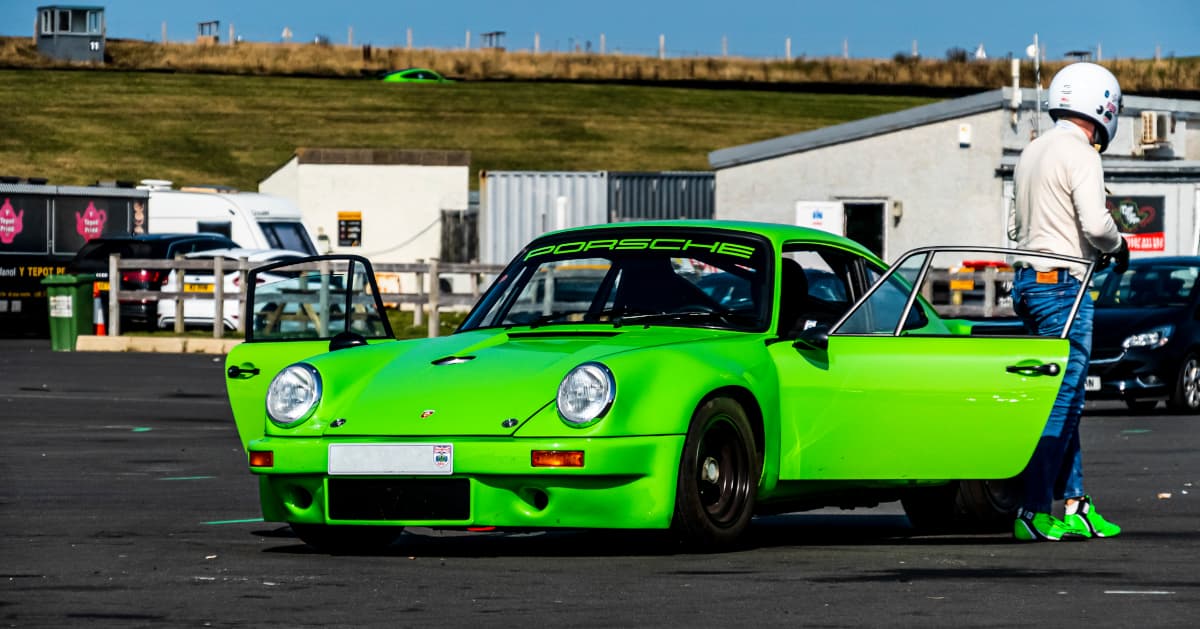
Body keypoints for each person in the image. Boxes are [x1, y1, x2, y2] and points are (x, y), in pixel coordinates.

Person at [1007, 62, 1129, 542]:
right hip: (1064, 288)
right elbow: (1097, 226)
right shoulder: (1081, 153)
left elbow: (1015, 228)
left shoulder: (1032, 150)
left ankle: (1075, 502)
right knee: (1062, 400)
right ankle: (1035, 508)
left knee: (1065, 396)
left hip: (1028, 283)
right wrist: (1120, 247)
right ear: (1103, 108)